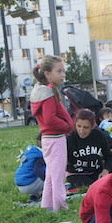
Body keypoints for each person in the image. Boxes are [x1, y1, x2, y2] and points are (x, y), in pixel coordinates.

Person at [30, 55, 74, 211]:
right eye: (59, 71)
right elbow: (50, 119)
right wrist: (67, 126)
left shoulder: (41, 90)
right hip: (55, 138)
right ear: (47, 73)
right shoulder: (48, 92)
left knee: (51, 173)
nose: (63, 74)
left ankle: (47, 205)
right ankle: (60, 206)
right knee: (58, 175)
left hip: (49, 138)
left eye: (63, 71)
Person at [67, 109, 112, 189]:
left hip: (97, 172)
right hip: (77, 174)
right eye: (79, 126)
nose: (81, 130)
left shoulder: (99, 135)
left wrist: (106, 169)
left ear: (92, 126)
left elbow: (109, 156)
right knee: (95, 187)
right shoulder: (70, 138)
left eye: (86, 127)